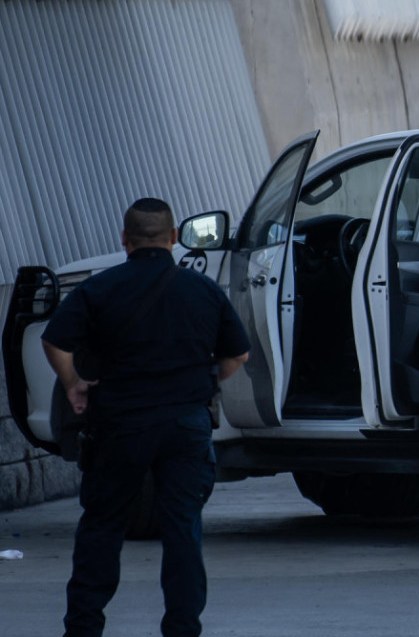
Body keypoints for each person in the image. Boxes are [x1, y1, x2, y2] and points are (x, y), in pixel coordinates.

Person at [43, 197, 251, 636]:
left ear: (125, 239)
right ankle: (181, 628)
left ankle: (83, 628)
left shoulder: (99, 288)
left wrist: (73, 383)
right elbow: (239, 353)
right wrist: (207, 381)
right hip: (186, 427)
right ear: (174, 238)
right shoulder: (203, 289)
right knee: (182, 531)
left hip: (120, 425)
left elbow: (55, 340)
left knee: (102, 526)